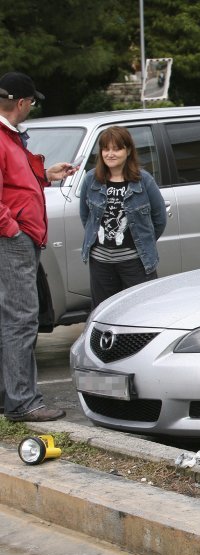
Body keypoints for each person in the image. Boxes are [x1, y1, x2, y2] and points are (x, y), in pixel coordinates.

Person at [0, 71, 77, 422]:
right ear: (21, 102)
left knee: (12, 319)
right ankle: (23, 402)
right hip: (12, 240)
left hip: (17, 236)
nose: (31, 106)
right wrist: (12, 229)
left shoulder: (10, 137)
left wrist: (46, 176)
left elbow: (13, 182)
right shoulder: (3, 138)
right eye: (31, 101)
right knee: (21, 320)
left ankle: (10, 397)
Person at [80, 126, 167, 309]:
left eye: (116, 148)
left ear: (128, 151)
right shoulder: (91, 180)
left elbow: (159, 219)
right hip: (101, 264)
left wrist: (142, 243)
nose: (110, 154)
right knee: (104, 313)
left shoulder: (144, 180)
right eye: (106, 149)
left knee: (141, 312)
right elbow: (86, 217)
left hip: (136, 263)